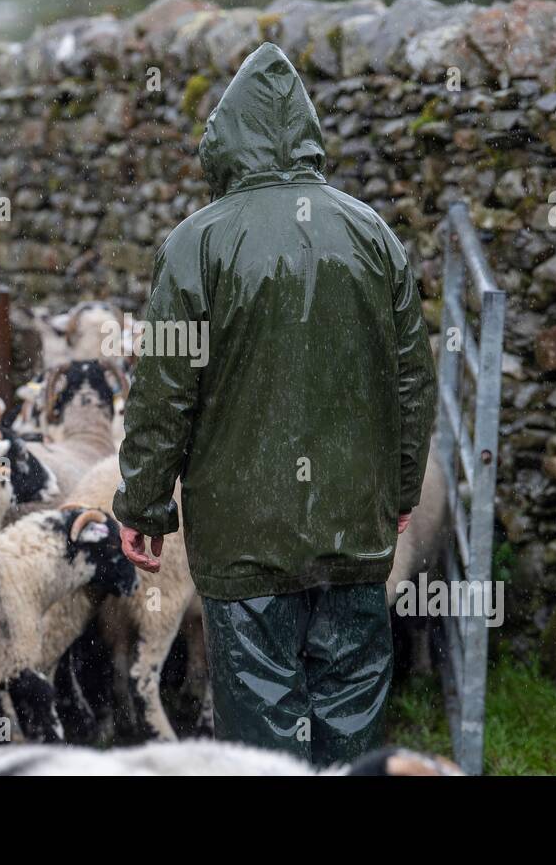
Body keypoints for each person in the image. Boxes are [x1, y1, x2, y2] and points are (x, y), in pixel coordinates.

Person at [112, 42, 436, 767]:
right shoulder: (373, 234)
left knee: (261, 725)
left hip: (244, 532)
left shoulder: (195, 243)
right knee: (351, 710)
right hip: (353, 525)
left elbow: (166, 386)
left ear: (226, 138)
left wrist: (143, 506)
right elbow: (413, 380)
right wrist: (402, 490)